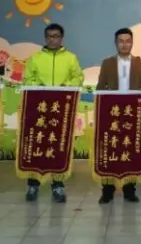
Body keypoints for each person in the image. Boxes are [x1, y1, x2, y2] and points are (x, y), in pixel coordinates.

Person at [23, 23, 84, 203]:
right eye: (49, 36)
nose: (52, 39)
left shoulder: (71, 58)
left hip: (61, 110)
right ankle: (33, 184)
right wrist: (41, 87)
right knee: (36, 144)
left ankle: (58, 185)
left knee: (59, 146)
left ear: (61, 38)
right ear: (45, 38)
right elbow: (27, 79)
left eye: (56, 36)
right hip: (39, 109)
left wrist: (65, 86)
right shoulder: (35, 58)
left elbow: (78, 77)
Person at [96, 28, 141, 204]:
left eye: (128, 41)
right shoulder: (107, 63)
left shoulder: (140, 64)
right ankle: (107, 190)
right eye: (121, 41)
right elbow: (100, 88)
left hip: (132, 115)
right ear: (115, 43)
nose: (124, 44)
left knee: (130, 150)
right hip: (112, 115)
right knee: (109, 149)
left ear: (132, 43)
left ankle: (129, 190)